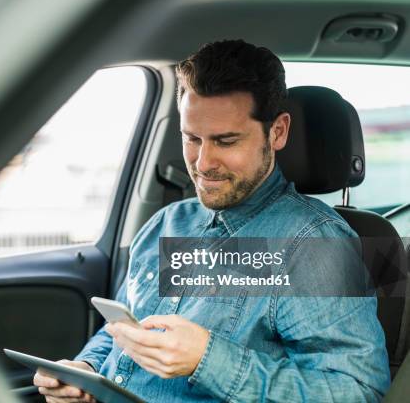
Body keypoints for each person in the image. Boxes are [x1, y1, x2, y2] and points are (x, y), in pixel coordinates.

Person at [33, 40, 390, 402]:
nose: (203, 163)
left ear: (278, 132)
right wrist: (88, 372)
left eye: (226, 141)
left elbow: (357, 392)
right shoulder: (166, 224)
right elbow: (122, 332)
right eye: (192, 138)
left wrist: (208, 358)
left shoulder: (314, 245)